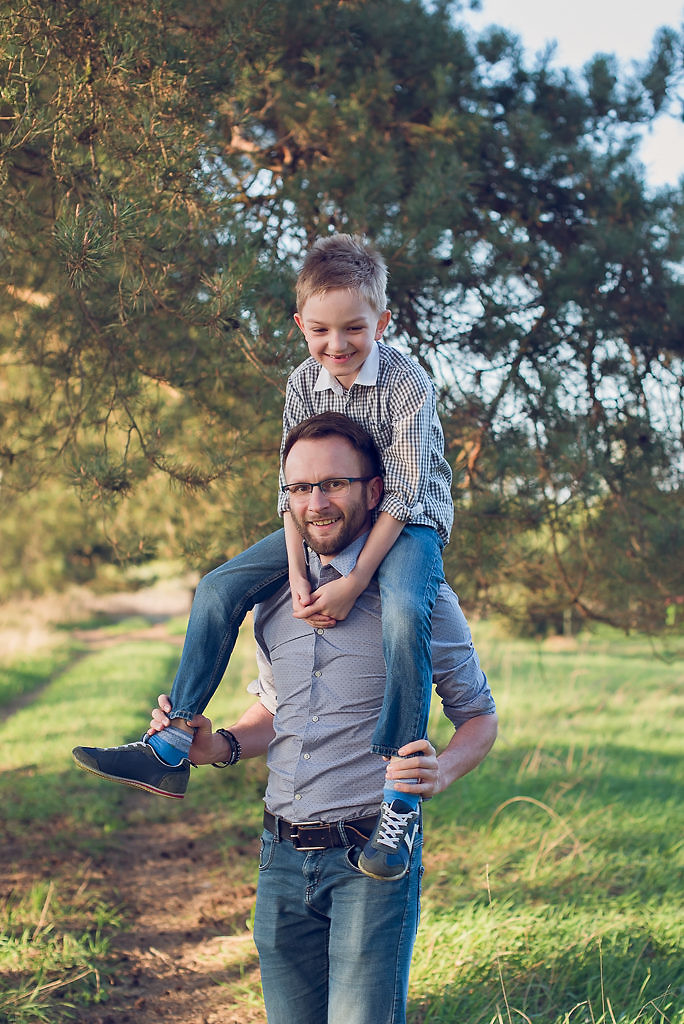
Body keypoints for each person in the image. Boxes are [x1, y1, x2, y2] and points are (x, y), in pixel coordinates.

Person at [72, 234, 454, 880]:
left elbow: (408, 492)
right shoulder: (303, 382)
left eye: (355, 329)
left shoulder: (406, 382)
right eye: (322, 330)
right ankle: (170, 744)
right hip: (319, 522)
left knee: (401, 612)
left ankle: (398, 799)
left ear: (382, 323)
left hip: (405, 523)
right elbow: (289, 490)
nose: (338, 346)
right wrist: (301, 572)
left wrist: (355, 578)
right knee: (220, 586)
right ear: (300, 325)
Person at [147, 414, 497, 1024]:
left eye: (334, 483)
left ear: (374, 490)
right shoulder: (276, 598)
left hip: (371, 858)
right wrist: (220, 743)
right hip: (279, 856)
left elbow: (479, 718)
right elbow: (278, 709)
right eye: (302, 488)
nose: (317, 502)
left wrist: (439, 773)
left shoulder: (420, 599)